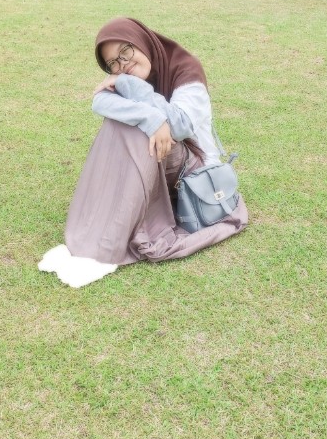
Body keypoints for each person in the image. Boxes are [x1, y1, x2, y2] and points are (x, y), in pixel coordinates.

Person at [39, 17, 248, 287]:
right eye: (113, 63)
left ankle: (107, 246)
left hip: (194, 170)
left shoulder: (187, 71)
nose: (123, 65)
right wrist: (151, 118)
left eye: (126, 51)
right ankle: (96, 235)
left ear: (143, 43)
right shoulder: (128, 76)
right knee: (126, 122)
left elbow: (181, 125)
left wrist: (132, 89)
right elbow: (99, 101)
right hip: (161, 159)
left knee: (135, 128)